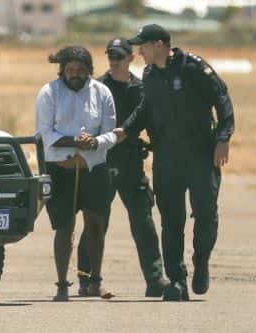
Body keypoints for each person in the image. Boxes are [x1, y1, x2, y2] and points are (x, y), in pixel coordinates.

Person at [114, 24, 235, 301]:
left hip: (201, 154)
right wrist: (126, 130)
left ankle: (201, 260)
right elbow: (146, 109)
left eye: (142, 45)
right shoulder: (149, 74)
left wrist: (223, 138)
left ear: (158, 44)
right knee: (171, 221)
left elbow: (223, 101)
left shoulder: (193, 67)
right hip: (167, 156)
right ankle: (177, 281)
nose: (138, 51)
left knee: (205, 213)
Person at [76, 38, 169, 297]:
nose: (114, 60)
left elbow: (151, 119)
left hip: (130, 162)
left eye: (119, 55)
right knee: (96, 222)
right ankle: (86, 279)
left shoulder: (141, 88)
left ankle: (154, 279)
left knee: (143, 220)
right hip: (102, 161)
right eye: (110, 55)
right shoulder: (96, 88)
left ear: (130, 57)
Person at [35, 46, 118, 301]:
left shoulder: (102, 92)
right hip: (61, 172)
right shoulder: (49, 92)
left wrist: (94, 142)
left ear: (89, 71)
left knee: (95, 224)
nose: (75, 74)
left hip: (93, 170)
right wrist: (74, 141)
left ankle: (95, 282)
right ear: (62, 70)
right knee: (64, 227)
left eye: (81, 70)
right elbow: (46, 134)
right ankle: (62, 285)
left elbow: (111, 133)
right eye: (70, 70)